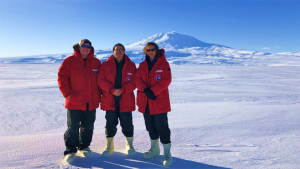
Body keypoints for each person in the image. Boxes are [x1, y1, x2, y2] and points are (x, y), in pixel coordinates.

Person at [58, 39, 101, 163]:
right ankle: (70, 150)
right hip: (74, 101)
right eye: (83, 46)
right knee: (73, 127)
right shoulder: (69, 61)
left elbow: (102, 79)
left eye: (88, 46)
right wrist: (67, 93)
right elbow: (62, 77)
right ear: (79, 47)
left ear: (90, 48)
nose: (85, 48)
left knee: (88, 126)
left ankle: (84, 146)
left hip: (91, 101)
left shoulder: (96, 62)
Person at [135, 42, 172, 167]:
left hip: (158, 100)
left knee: (162, 127)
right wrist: (145, 89)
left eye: (152, 49)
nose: (150, 52)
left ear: (156, 51)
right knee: (150, 126)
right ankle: (154, 149)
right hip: (145, 100)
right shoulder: (142, 65)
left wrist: (153, 91)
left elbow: (167, 79)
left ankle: (167, 152)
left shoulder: (164, 64)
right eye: (148, 50)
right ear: (145, 51)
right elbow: (137, 79)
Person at [97, 43, 137, 157]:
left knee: (127, 123)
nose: (118, 51)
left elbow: (134, 81)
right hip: (110, 99)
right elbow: (100, 80)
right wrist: (112, 90)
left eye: (121, 49)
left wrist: (123, 90)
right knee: (110, 123)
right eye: (116, 49)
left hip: (126, 99)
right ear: (113, 52)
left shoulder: (131, 65)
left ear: (124, 51)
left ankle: (129, 144)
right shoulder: (105, 65)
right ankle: (109, 145)